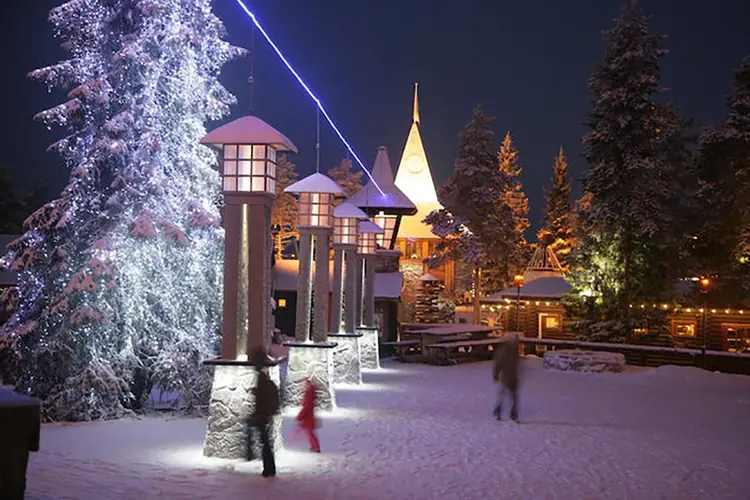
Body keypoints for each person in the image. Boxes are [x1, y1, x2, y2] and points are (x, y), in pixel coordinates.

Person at [248, 350, 280, 477]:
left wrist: (258, 412)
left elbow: (262, 397)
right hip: (264, 413)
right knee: (265, 441)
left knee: (265, 442)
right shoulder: (264, 374)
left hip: (262, 414)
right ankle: (269, 468)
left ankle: (269, 469)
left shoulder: (261, 376)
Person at [492, 333, 520, 423]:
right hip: (506, 377)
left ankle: (500, 412)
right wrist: (496, 374)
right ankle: (508, 414)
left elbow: (516, 364)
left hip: (513, 377)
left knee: (508, 396)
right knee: (510, 396)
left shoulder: (515, 351)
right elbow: (498, 363)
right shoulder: (505, 351)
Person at [295, 379, 320, 453]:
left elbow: (306, 407)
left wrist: (299, 417)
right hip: (309, 417)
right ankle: (314, 447)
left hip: (308, 418)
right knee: (309, 432)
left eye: (305, 384)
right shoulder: (310, 393)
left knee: (310, 433)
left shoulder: (308, 393)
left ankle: (315, 447)